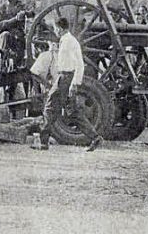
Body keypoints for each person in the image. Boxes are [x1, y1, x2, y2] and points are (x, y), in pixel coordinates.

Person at [32, 17, 102, 152]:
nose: (55, 31)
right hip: (63, 77)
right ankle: (95, 137)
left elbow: (79, 64)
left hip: (66, 78)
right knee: (73, 111)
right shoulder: (66, 41)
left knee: (49, 108)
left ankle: (43, 142)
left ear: (60, 28)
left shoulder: (70, 42)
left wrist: (74, 83)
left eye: (55, 29)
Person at [0, 0, 30, 71]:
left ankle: (23, 65)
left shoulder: (21, 5)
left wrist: (25, 13)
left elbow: (32, 13)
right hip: (5, 36)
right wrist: (15, 19)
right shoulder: (2, 8)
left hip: (19, 38)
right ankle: (3, 65)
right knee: (5, 35)